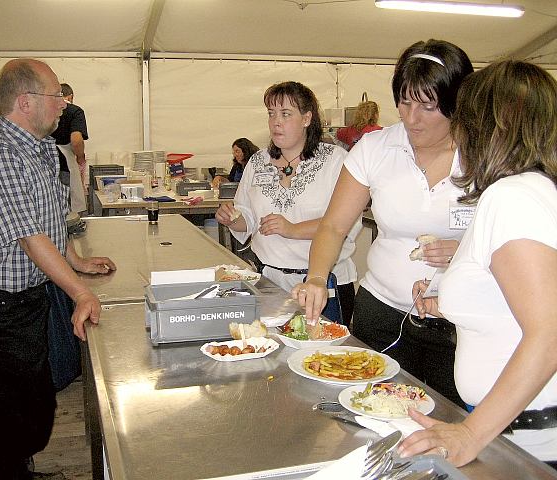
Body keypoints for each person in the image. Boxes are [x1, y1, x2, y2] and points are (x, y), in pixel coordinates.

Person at [0, 58, 116, 480]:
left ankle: (15, 465)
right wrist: (79, 290)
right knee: (19, 399)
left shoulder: (41, 145)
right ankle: (10, 471)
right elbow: (30, 236)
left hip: (24, 299)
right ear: (25, 102)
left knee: (27, 394)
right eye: (55, 94)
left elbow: (49, 221)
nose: (64, 102)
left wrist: (76, 262)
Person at [292, 39, 474, 406]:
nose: (411, 118)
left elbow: (514, 240)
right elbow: (333, 226)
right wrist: (315, 278)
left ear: (457, 103)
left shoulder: (484, 154)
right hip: (383, 313)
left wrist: (466, 249)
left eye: (428, 106)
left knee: (449, 421)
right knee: (370, 409)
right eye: (405, 102)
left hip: (460, 322)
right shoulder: (376, 148)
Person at [399, 60, 557, 467]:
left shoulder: (512, 198)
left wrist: (471, 432)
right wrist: (447, 302)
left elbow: (549, 333)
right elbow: (515, 302)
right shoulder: (535, 190)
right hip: (513, 430)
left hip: (527, 440)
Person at [216, 81, 361, 325]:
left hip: (323, 285)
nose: (275, 122)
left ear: (306, 118)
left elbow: (345, 224)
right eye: (271, 114)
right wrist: (233, 217)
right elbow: (248, 218)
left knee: (324, 359)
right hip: (269, 283)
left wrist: (292, 229)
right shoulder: (257, 162)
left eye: (285, 114)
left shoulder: (336, 161)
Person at [51, 83, 88, 214]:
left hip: (43, 165)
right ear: (70, 96)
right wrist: (80, 158)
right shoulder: (75, 111)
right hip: (64, 166)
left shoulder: (46, 111)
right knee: (68, 211)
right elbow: (76, 140)